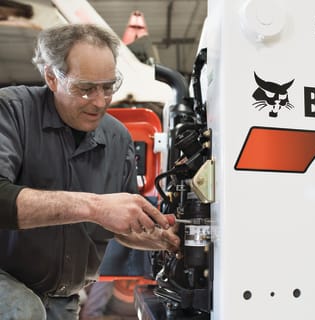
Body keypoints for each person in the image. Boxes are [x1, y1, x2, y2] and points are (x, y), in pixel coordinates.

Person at [0, 23, 180, 320]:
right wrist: (95, 207)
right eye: (85, 89)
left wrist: (157, 237)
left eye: (108, 87)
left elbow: (118, 226)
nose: (99, 102)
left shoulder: (118, 138)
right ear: (51, 77)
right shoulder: (12, 111)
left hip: (62, 301)